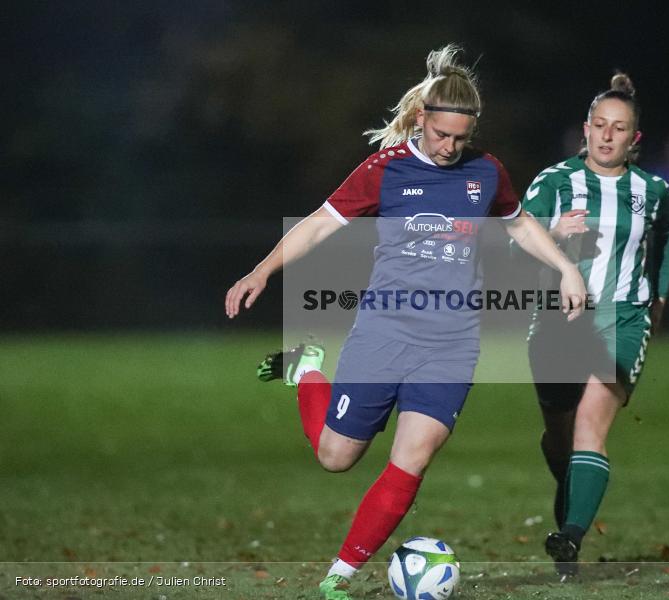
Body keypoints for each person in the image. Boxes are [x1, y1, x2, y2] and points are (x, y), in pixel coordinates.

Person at [224, 45, 586, 600]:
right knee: (335, 456)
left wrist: (564, 267)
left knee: (412, 458)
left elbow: (518, 225)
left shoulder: (485, 173)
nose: (450, 147)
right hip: (383, 333)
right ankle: (309, 368)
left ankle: (338, 578)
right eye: (442, 135)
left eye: (461, 139)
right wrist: (262, 270)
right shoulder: (384, 169)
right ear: (422, 119)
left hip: (452, 344)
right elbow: (321, 224)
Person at [521, 72, 669, 577]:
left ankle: (569, 538)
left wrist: (661, 291)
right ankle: (573, 503)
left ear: (635, 140)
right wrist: (551, 231)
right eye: (600, 126)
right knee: (560, 439)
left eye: (620, 128)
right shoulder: (554, 182)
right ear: (585, 129)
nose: (608, 136)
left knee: (591, 426)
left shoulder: (652, 191)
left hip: (624, 320)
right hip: (557, 323)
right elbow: (509, 240)